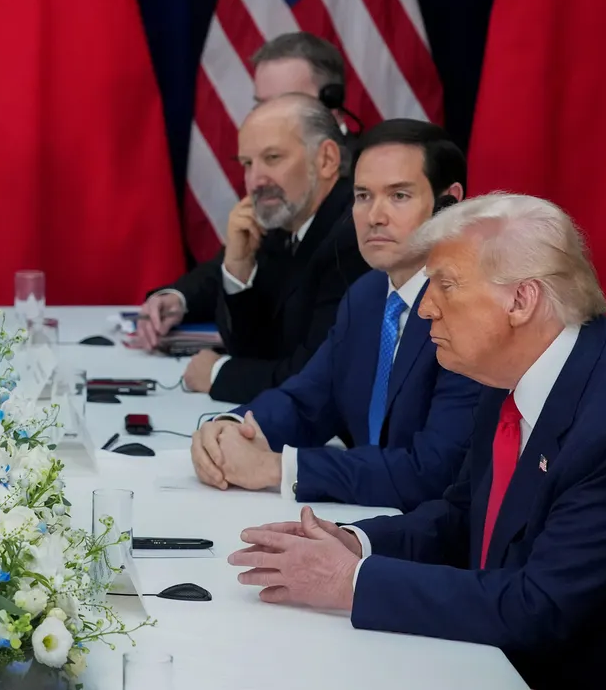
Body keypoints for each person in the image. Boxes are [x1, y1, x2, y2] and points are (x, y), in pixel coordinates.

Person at [227, 194, 606, 690]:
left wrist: (349, 581)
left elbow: (542, 606)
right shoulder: (508, 372)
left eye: (445, 285)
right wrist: (356, 542)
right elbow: (464, 516)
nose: (425, 309)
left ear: (521, 300)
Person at [191, 120, 482, 509]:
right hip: (365, 523)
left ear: (450, 202)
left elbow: (430, 472)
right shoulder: (366, 295)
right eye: (363, 196)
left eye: (398, 195)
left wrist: (279, 469)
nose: (374, 215)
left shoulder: (473, 311)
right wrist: (233, 429)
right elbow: (306, 401)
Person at [129, 32, 351, 350]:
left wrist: (221, 374)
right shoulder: (273, 175)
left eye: (282, 102)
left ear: (331, 104)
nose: (257, 176)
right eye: (261, 104)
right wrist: (178, 297)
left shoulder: (367, 181)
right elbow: (245, 256)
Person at [161, 94, 368, 402]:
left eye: (273, 158)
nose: (255, 180)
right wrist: (237, 268)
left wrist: (219, 373)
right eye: (247, 163)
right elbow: (260, 351)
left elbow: (318, 381)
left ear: (326, 160)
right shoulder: (281, 225)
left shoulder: (352, 236)